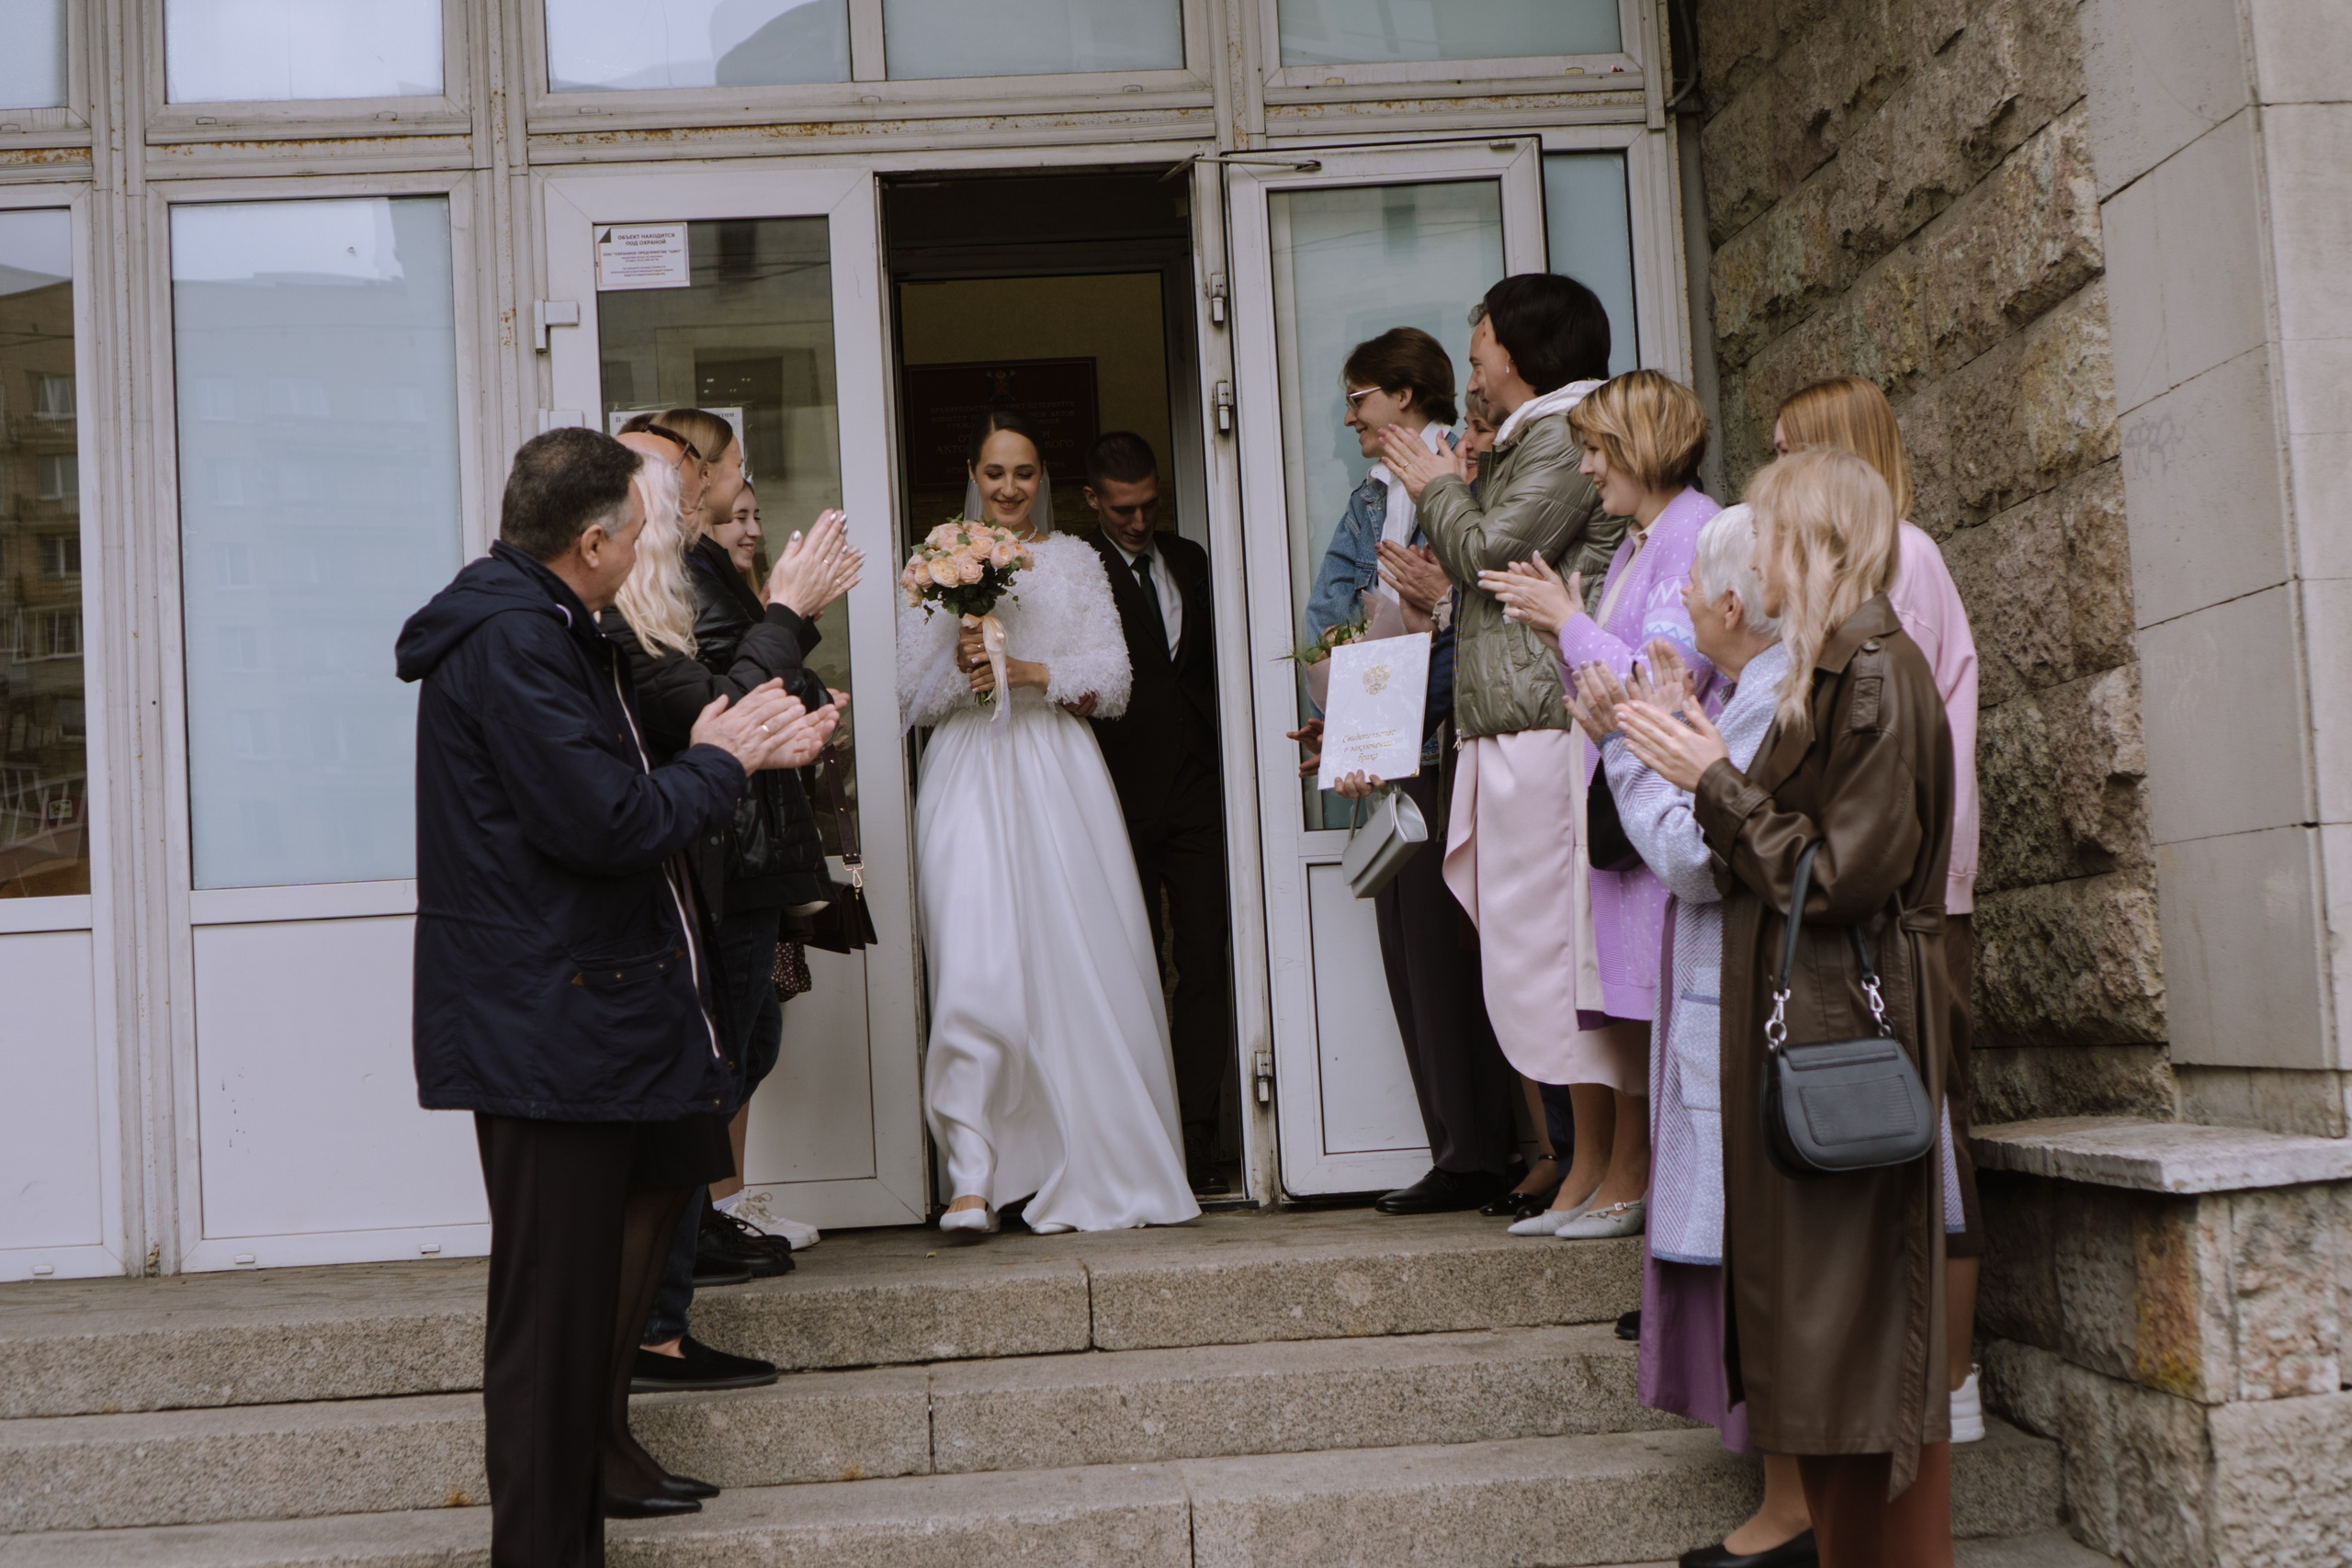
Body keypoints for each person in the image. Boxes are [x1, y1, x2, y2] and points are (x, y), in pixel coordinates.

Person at [395, 427, 833, 1562]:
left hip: (592, 1009)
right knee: (549, 1328)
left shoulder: (551, 625)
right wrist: (727, 759)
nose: (652, 549)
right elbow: (606, 823)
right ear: (591, 543)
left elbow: (622, 784)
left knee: (582, 1304)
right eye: (641, 531)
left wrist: (739, 748)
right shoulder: (515, 641)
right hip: (549, 1021)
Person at [1616, 446, 1956, 1568]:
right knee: (1821, 1350)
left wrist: (1709, 781)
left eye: (1765, 532)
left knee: (1856, 1348)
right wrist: (1705, 764)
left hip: (1842, 1029)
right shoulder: (1832, 669)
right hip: (1808, 1025)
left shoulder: (1874, 676)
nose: (1748, 556)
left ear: (1809, 544)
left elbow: (1841, 875)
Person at [1566, 505, 1818, 1568]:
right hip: (1751, 1012)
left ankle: (1792, 1511)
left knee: (1767, 1270)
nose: (1676, 605)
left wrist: (1624, 747)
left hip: (1760, 1023)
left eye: (1688, 592)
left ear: (1728, 604)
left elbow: (1692, 855)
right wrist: (1664, 721)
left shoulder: (1770, 698)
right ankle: (1789, 1505)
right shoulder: (1762, 688)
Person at [595, 436, 860, 1395]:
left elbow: (728, 709)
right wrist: (789, 610)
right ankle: (655, 1331)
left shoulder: (650, 610)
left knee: (717, 1087)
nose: (683, 525)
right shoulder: (622, 628)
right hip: (690, 882)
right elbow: (719, 708)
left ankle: (662, 1314)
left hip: (716, 868)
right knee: (690, 1110)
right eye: (667, 510)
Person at [899, 408, 1200, 1235]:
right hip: (968, 770)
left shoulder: (1074, 560)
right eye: (995, 472)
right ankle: (972, 1174)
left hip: (1058, 769)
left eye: (1024, 472)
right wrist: (965, 660)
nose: (1009, 487)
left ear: (1043, 478)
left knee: (1073, 960)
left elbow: (1115, 679)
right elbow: (910, 695)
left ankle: (1083, 1154)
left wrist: (1025, 669)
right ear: (972, 472)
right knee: (974, 960)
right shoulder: (934, 563)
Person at [1373, 276, 1624, 1218]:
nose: (1471, 372)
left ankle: (1603, 1166)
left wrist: (1436, 486)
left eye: (1479, 353)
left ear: (1516, 353)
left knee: (1562, 956)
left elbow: (1490, 554)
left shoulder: (1559, 436)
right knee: (1527, 958)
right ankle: (1580, 1161)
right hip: (1504, 717)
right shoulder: (1537, 436)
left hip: (1543, 720)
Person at [1773, 375, 1986, 1442]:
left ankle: (1951, 1376)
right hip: (1888, 883)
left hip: (1910, 896)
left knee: (1923, 1122)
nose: (1771, 475)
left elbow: (1912, 746)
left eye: (1787, 453)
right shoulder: (1865, 571)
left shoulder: (1905, 561)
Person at [1476, 370, 1722, 1242]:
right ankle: (1624, 1182)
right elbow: (1603, 681)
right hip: (1623, 805)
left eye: (1595, 450)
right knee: (1626, 1015)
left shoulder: (1692, 533)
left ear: (1638, 448)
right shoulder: (1637, 541)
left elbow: (1659, 686)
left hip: (1660, 814)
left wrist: (1568, 624)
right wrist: (1561, 629)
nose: (1586, 469)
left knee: (1658, 1016)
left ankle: (1648, 1190)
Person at [1299, 327, 1522, 1217]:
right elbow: (1328, 618)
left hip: (1455, 742)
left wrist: (1386, 700)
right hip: (1395, 752)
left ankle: (1493, 1151)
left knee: (1460, 953)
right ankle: (1457, 1150)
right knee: (1408, 954)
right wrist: (1350, 725)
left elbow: (1479, 611)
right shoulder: (1368, 500)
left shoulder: (1468, 470)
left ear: (1402, 394)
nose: (1348, 416)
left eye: (1358, 398)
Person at [1076, 431, 1235, 1197]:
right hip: (1118, 791)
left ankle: (1198, 1135)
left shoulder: (1192, 558)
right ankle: (1142, 1137)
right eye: (1123, 510)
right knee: (1132, 964)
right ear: (1092, 501)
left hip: (1198, 787)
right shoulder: (1078, 569)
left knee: (1205, 957)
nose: (1139, 522)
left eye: (1149, 506)